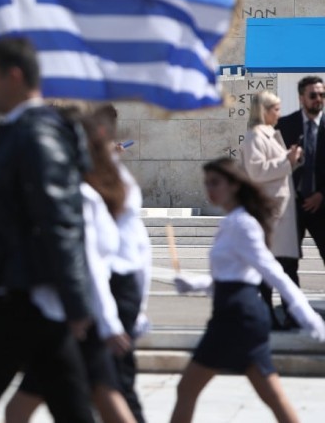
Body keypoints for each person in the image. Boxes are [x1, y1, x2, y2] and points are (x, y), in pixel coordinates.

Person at [0, 38, 95, 423]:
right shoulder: (17, 130)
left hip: (29, 299)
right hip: (22, 297)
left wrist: (77, 304)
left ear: (14, 76)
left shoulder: (37, 134)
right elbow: (4, 226)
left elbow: (59, 221)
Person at [170, 158, 325, 423]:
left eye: (216, 183)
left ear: (233, 185)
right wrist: (195, 284)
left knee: (187, 388)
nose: (210, 189)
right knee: (272, 394)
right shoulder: (232, 221)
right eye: (206, 183)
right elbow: (234, 277)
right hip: (236, 313)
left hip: (235, 317)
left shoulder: (242, 224)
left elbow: (274, 273)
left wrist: (308, 317)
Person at [5, 107, 134, 423]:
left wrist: (106, 319)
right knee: (102, 397)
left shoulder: (83, 195)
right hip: (75, 312)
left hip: (72, 316)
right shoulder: (101, 190)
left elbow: (91, 262)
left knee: (99, 399)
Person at [98, 104, 152, 422]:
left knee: (117, 380)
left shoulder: (120, 188)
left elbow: (138, 250)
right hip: (108, 291)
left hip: (118, 288)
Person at [242, 91, 303, 329]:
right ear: (264, 111)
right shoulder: (255, 137)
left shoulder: (268, 135)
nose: (279, 113)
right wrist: (287, 161)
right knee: (273, 265)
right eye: (275, 109)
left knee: (283, 265)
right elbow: (257, 171)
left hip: (280, 210)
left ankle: (286, 314)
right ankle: (269, 314)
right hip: (270, 211)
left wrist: (294, 159)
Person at [276, 76, 325, 271]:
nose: (318, 99)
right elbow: (272, 165)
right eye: (313, 95)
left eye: (322, 95)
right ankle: (290, 302)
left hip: (322, 205)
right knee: (287, 262)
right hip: (291, 207)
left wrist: (321, 194)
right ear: (301, 98)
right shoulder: (285, 126)